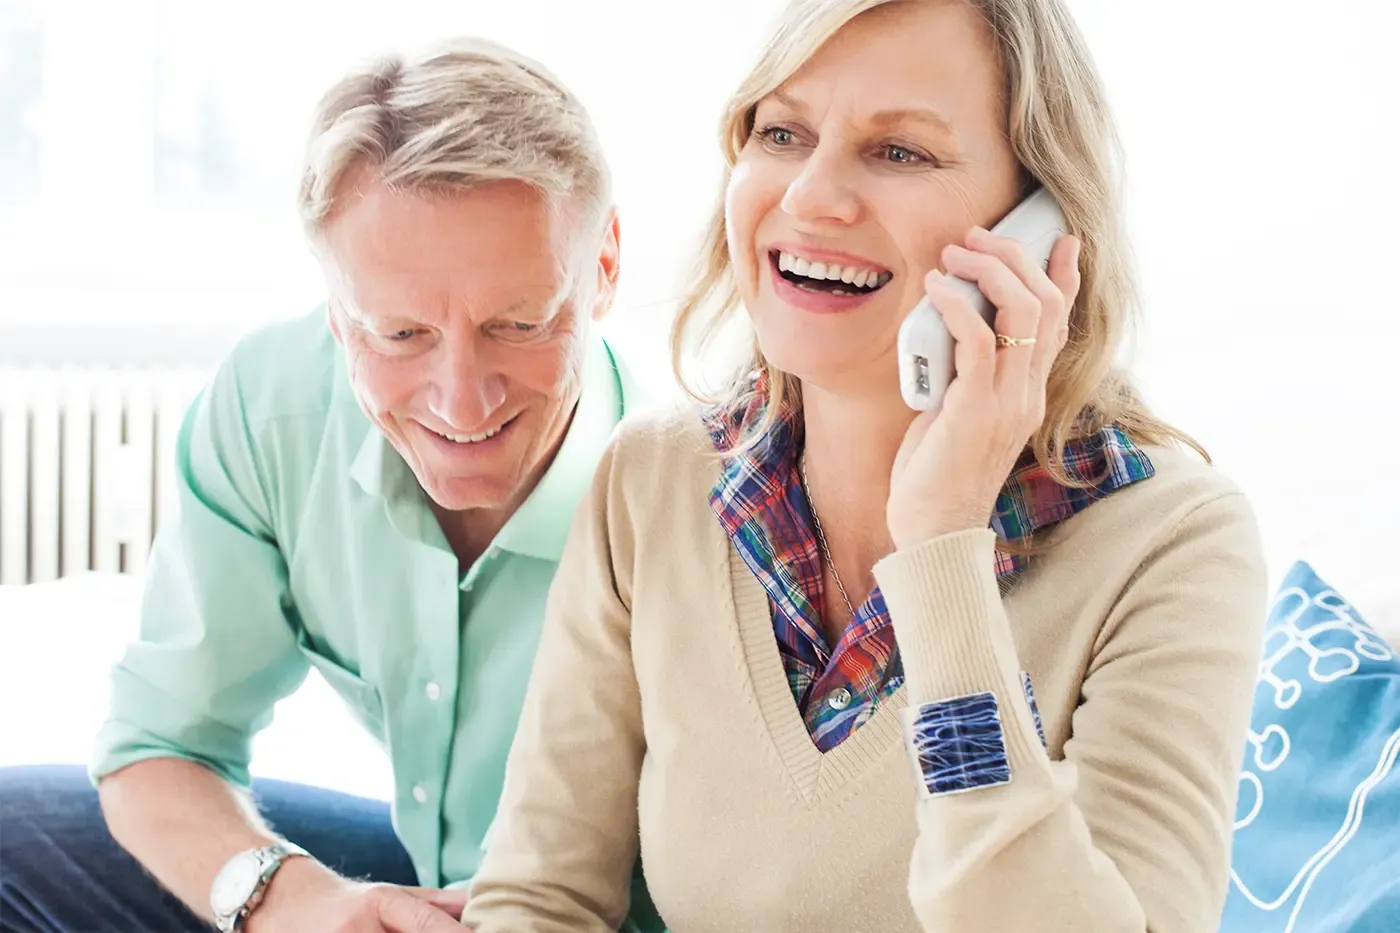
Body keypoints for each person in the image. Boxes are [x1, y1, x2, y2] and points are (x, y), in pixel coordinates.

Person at [459, 0, 1268, 930]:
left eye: (900, 152)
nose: (811, 197)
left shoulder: (1173, 543)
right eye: (782, 133)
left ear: (1039, 223)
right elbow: (537, 896)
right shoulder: (653, 479)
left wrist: (942, 555)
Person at [0, 38, 663, 933]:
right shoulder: (273, 406)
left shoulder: (697, 489)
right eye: (400, 335)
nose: (461, 401)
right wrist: (295, 904)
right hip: (428, 883)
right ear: (337, 309)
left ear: (605, 267)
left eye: (517, 324)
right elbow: (158, 747)